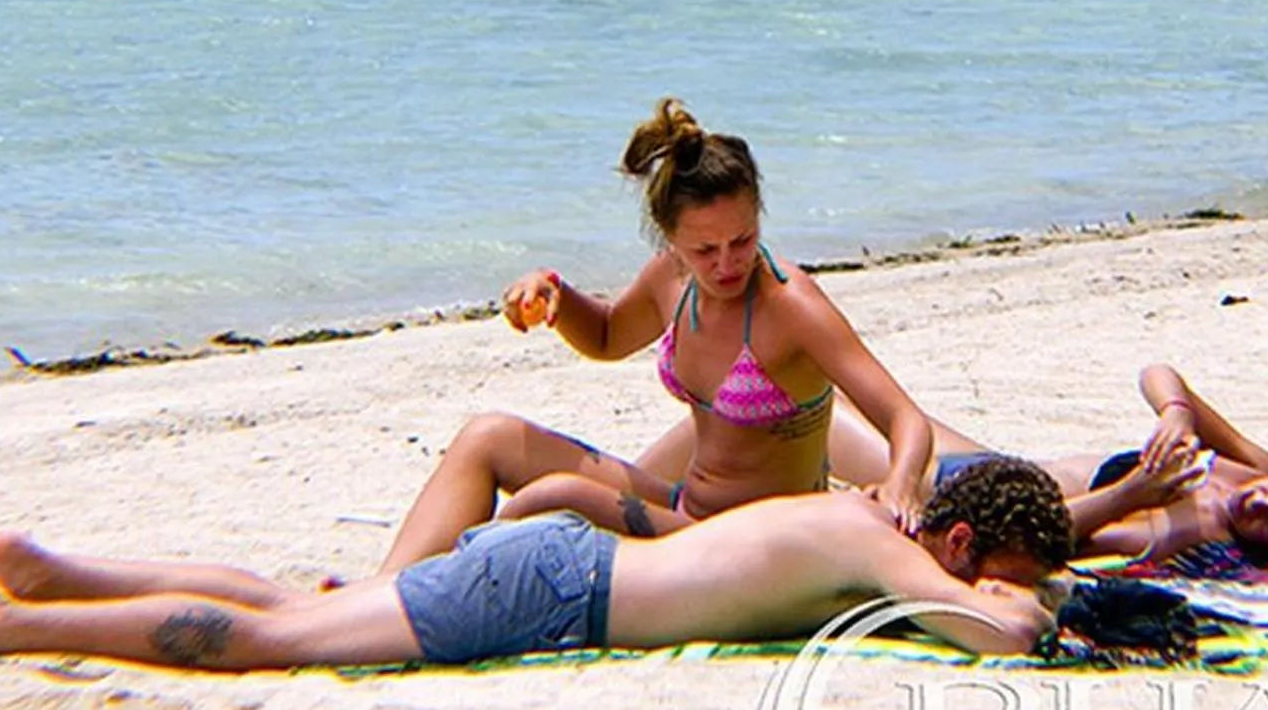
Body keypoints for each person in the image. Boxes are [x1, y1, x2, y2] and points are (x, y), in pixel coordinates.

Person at [392, 99, 934, 568]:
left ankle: (434, 595)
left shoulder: (789, 305)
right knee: (488, 437)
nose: (727, 264)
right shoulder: (670, 278)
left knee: (551, 497)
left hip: (749, 541)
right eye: (705, 250)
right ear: (670, 239)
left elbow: (904, 418)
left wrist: (901, 485)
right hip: (682, 507)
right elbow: (607, 336)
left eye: (743, 241)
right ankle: (383, 590)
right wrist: (554, 292)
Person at [0, 456, 1072, 671]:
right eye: (1000, 566)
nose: (1000, 586)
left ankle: (48, 570)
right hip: (550, 590)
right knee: (275, 642)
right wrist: (1018, 601)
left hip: (559, 570)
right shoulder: (876, 543)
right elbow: (1004, 633)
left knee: (297, 605)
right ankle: (1, 625)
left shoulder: (860, 533)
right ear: (960, 544)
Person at [822, 363, 1268, 579]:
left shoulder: (1190, 531)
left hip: (958, 494)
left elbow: (1041, 538)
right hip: (999, 466)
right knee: (832, 390)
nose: (1263, 502)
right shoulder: (1254, 473)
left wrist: (1131, 493)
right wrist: (1177, 415)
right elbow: (1158, 373)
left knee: (804, 400)